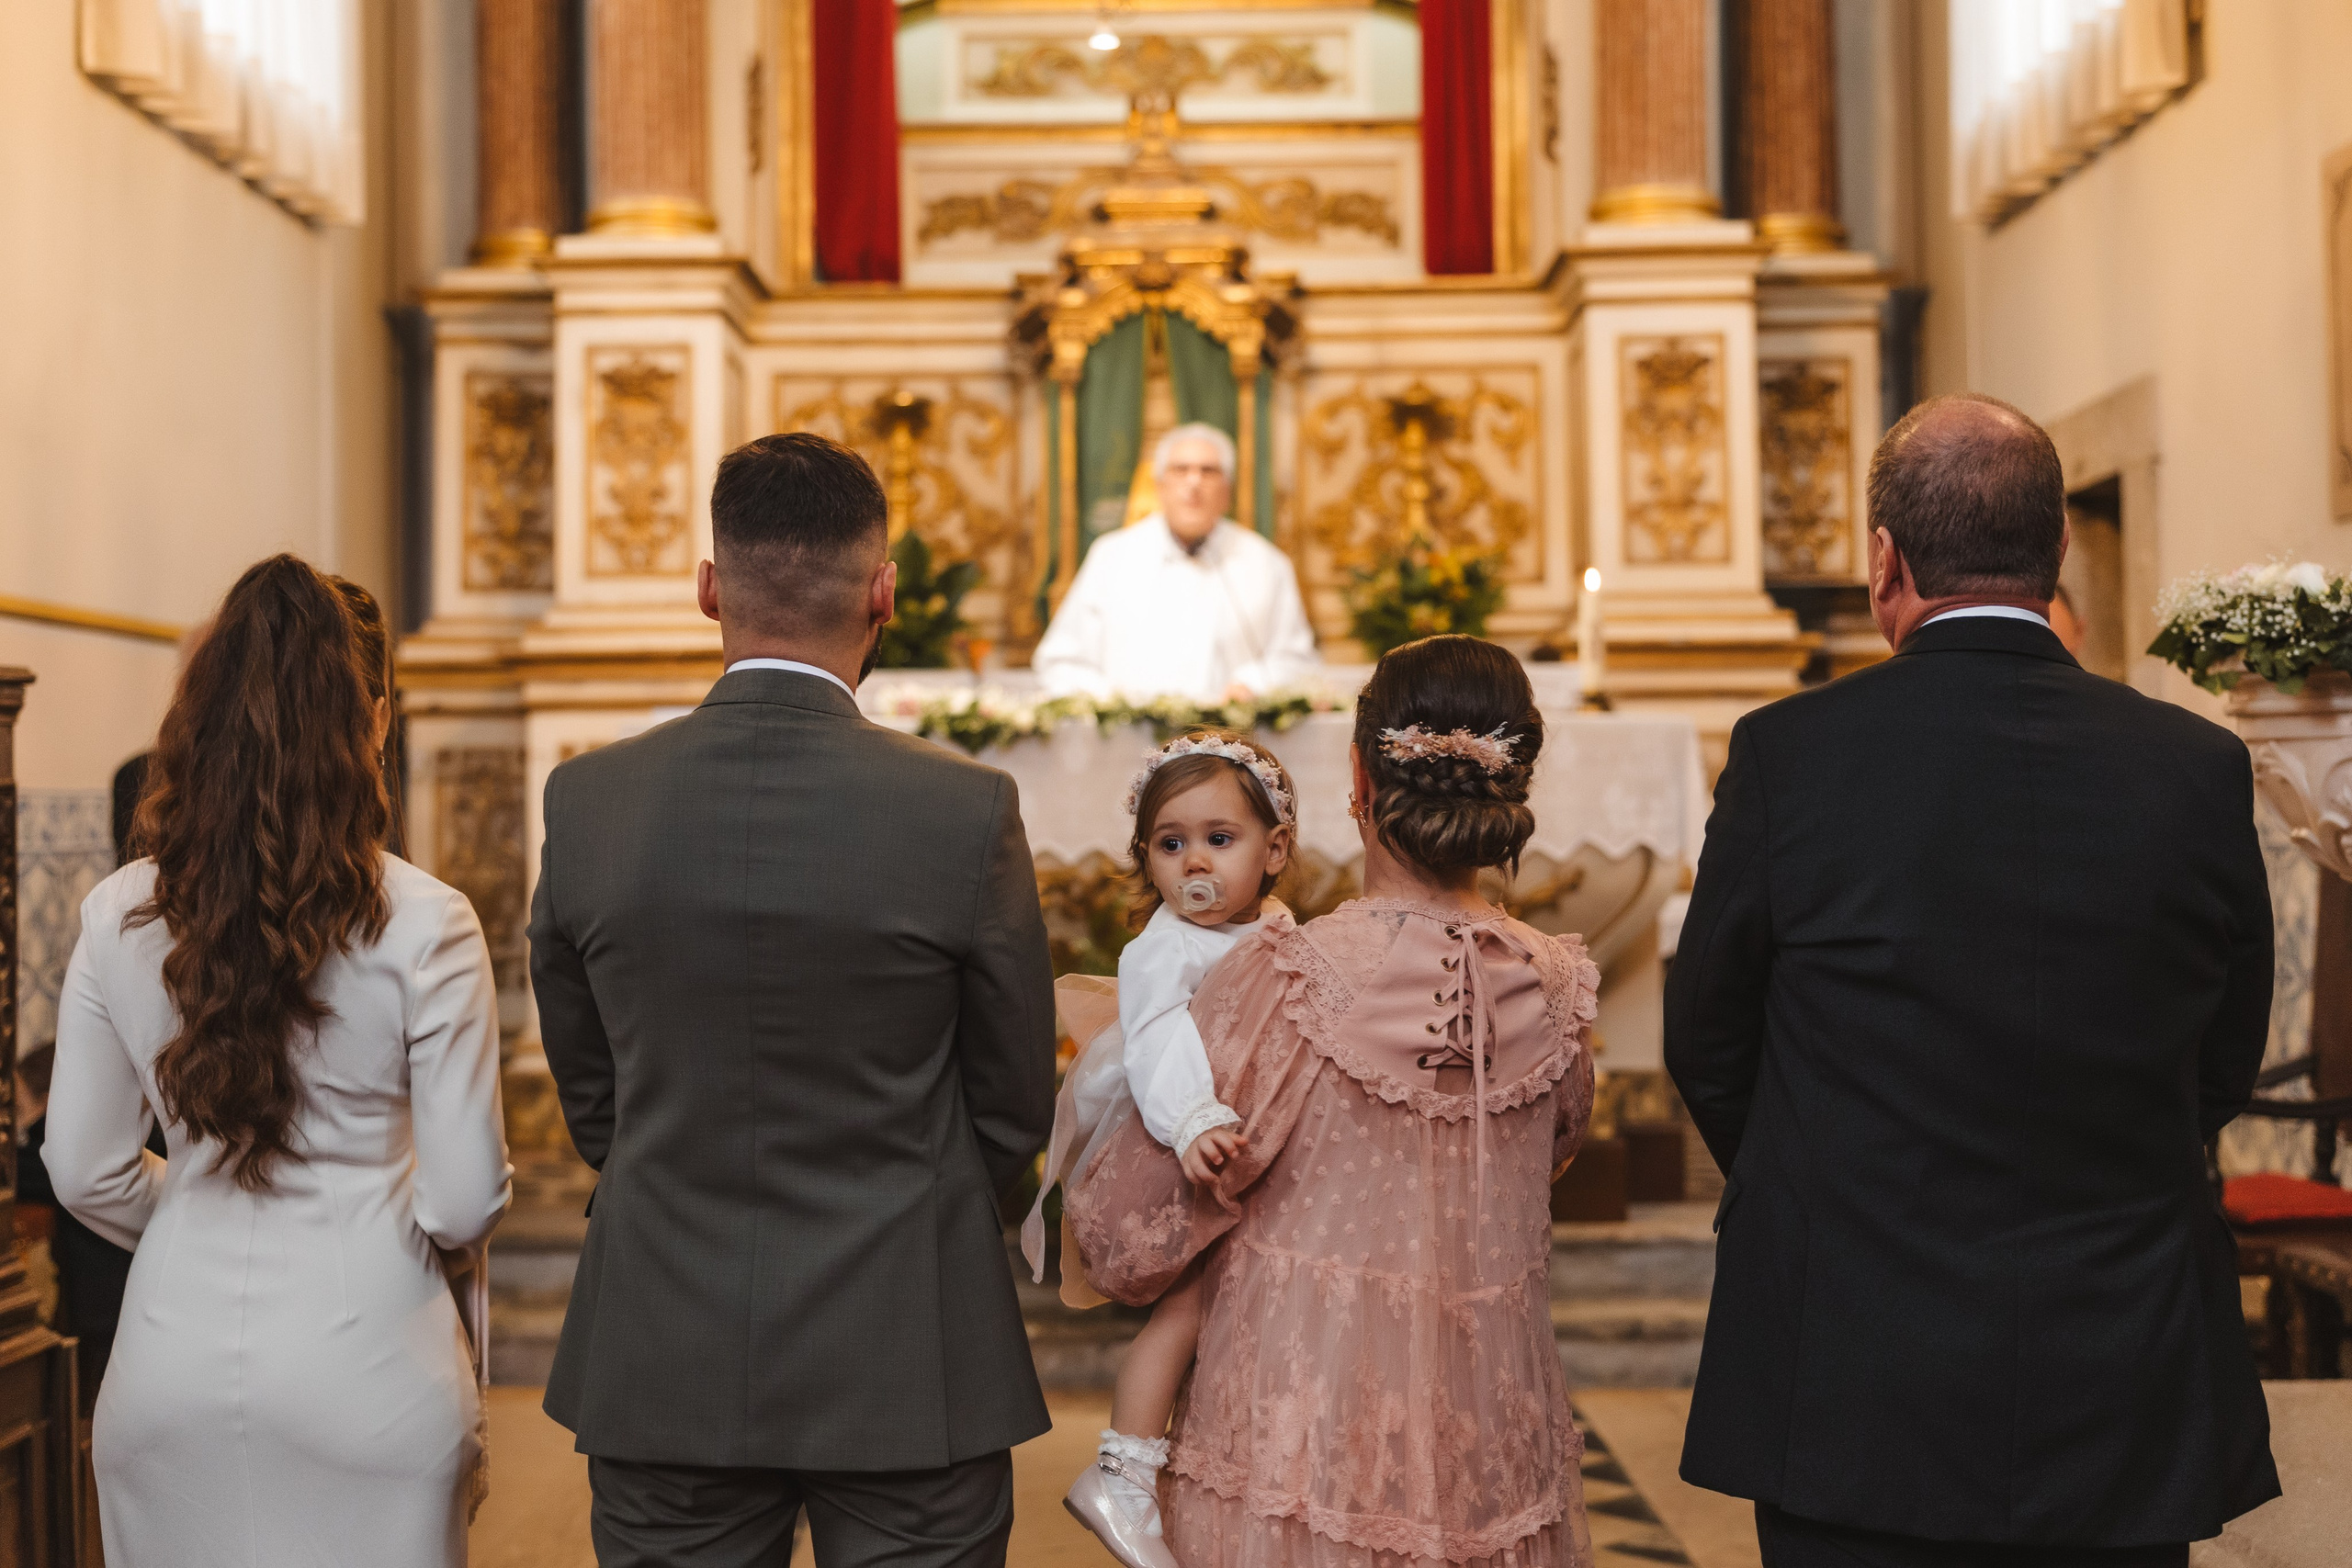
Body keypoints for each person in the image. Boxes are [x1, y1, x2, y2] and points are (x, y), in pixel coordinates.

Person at [1665, 393, 2278, 1568]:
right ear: (2056, 550)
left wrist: (1824, 1183)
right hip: (2118, 1345)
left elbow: (1708, 1033)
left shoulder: (1790, 754)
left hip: (1851, 1352)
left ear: (1883, 559)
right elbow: (2225, 1044)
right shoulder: (2195, 765)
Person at [528, 432, 1058, 1568]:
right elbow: (1014, 1094)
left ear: (709, 590)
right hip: (908, 1335)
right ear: (883, 594)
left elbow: (589, 1082)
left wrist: (675, 1170)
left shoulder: (588, 800)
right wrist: (919, 1205)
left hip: (666, 1327)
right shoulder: (963, 808)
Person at [1066, 634, 1601, 1568]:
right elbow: (1552, 1155)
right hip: (1492, 1450)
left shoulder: (1281, 979)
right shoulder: (1557, 988)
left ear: (1358, 778)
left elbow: (1128, 1238)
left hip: (1294, 1451)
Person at [46, 553, 513, 1568]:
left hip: (166, 1370)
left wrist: (203, 1202)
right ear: (373, 722)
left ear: (201, 717)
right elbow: (465, 1200)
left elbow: (81, 1169)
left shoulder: (116, 912)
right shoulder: (428, 923)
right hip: (375, 1370)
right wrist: (361, 1209)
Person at [1021, 728, 1297, 1568]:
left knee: (1235, 1304)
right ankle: (1123, 1471)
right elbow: (1156, 1037)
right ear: (1145, 858)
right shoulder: (1164, 945)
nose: (1194, 862)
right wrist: (1194, 1119)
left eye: (1220, 837)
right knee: (1182, 1308)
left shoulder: (1281, 928)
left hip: (1246, 1146)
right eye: (1170, 845)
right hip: (1175, 1138)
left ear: (1275, 848)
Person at [1034, 423, 1321, 704]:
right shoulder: (1111, 557)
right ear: (1160, 486)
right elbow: (1061, 661)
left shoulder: (1266, 564)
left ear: (1227, 491)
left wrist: (1251, 684)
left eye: (1208, 471)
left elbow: (1295, 660)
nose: (1194, 482)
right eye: (1180, 470)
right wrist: (1115, 700)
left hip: (1229, 732)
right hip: (1130, 729)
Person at [12, 1038, 164, 1401]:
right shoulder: (140, 1135)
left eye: (19, 1105)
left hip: (103, 1311)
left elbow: (30, 1171)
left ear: (50, 1099)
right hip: (135, 1303)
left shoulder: (61, 1147)